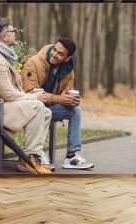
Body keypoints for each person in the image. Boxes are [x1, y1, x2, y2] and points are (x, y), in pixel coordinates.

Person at [0, 18, 52, 174]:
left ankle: (32, 155)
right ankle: (28, 158)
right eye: (13, 31)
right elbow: (9, 95)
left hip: (0, 106)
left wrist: (31, 94)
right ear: (5, 36)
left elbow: (10, 91)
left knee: (45, 111)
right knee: (37, 106)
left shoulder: (1, 54)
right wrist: (33, 98)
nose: (15, 34)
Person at [21, 37, 94, 170]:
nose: (54, 54)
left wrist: (71, 100)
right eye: (55, 50)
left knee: (76, 110)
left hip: (48, 108)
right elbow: (30, 93)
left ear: (67, 58)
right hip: (30, 109)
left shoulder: (68, 70)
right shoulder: (34, 63)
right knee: (42, 110)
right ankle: (37, 153)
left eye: (60, 54)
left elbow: (67, 92)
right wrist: (58, 99)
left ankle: (71, 157)